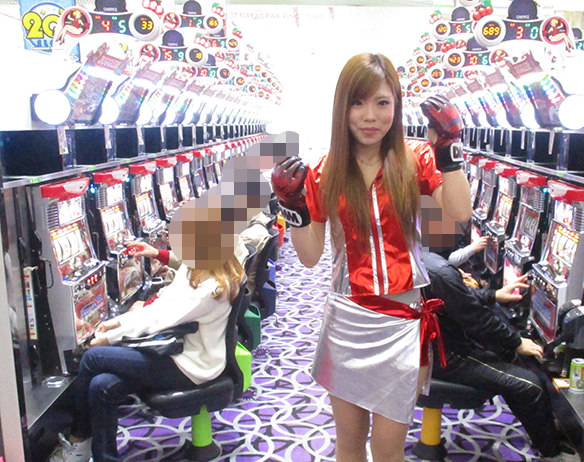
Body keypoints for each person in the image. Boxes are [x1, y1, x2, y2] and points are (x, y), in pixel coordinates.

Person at [272, 53, 472, 462]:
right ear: (341, 107)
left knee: (387, 448)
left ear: (396, 105)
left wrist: (449, 149)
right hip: (347, 319)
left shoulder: (416, 158)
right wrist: (293, 208)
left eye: (382, 102)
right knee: (348, 442)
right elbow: (309, 257)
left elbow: (460, 211)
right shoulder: (323, 171)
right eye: (358, 103)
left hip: (402, 320)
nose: (369, 116)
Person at [49, 246, 245, 462]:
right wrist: (118, 322)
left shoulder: (213, 289)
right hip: (177, 350)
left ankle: (77, 438)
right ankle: (99, 456)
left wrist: (111, 337)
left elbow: (161, 319)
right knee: (102, 385)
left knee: (92, 357)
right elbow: (161, 306)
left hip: (191, 365)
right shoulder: (195, 268)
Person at [422, 251, 580, 462]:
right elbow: (476, 319)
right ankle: (552, 454)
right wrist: (517, 341)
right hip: (446, 357)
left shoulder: (425, 262)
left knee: (508, 355)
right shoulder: (440, 271)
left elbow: (459, 297)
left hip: (435, 349)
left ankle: (543, 429)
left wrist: (494, 295)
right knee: (530, 386)